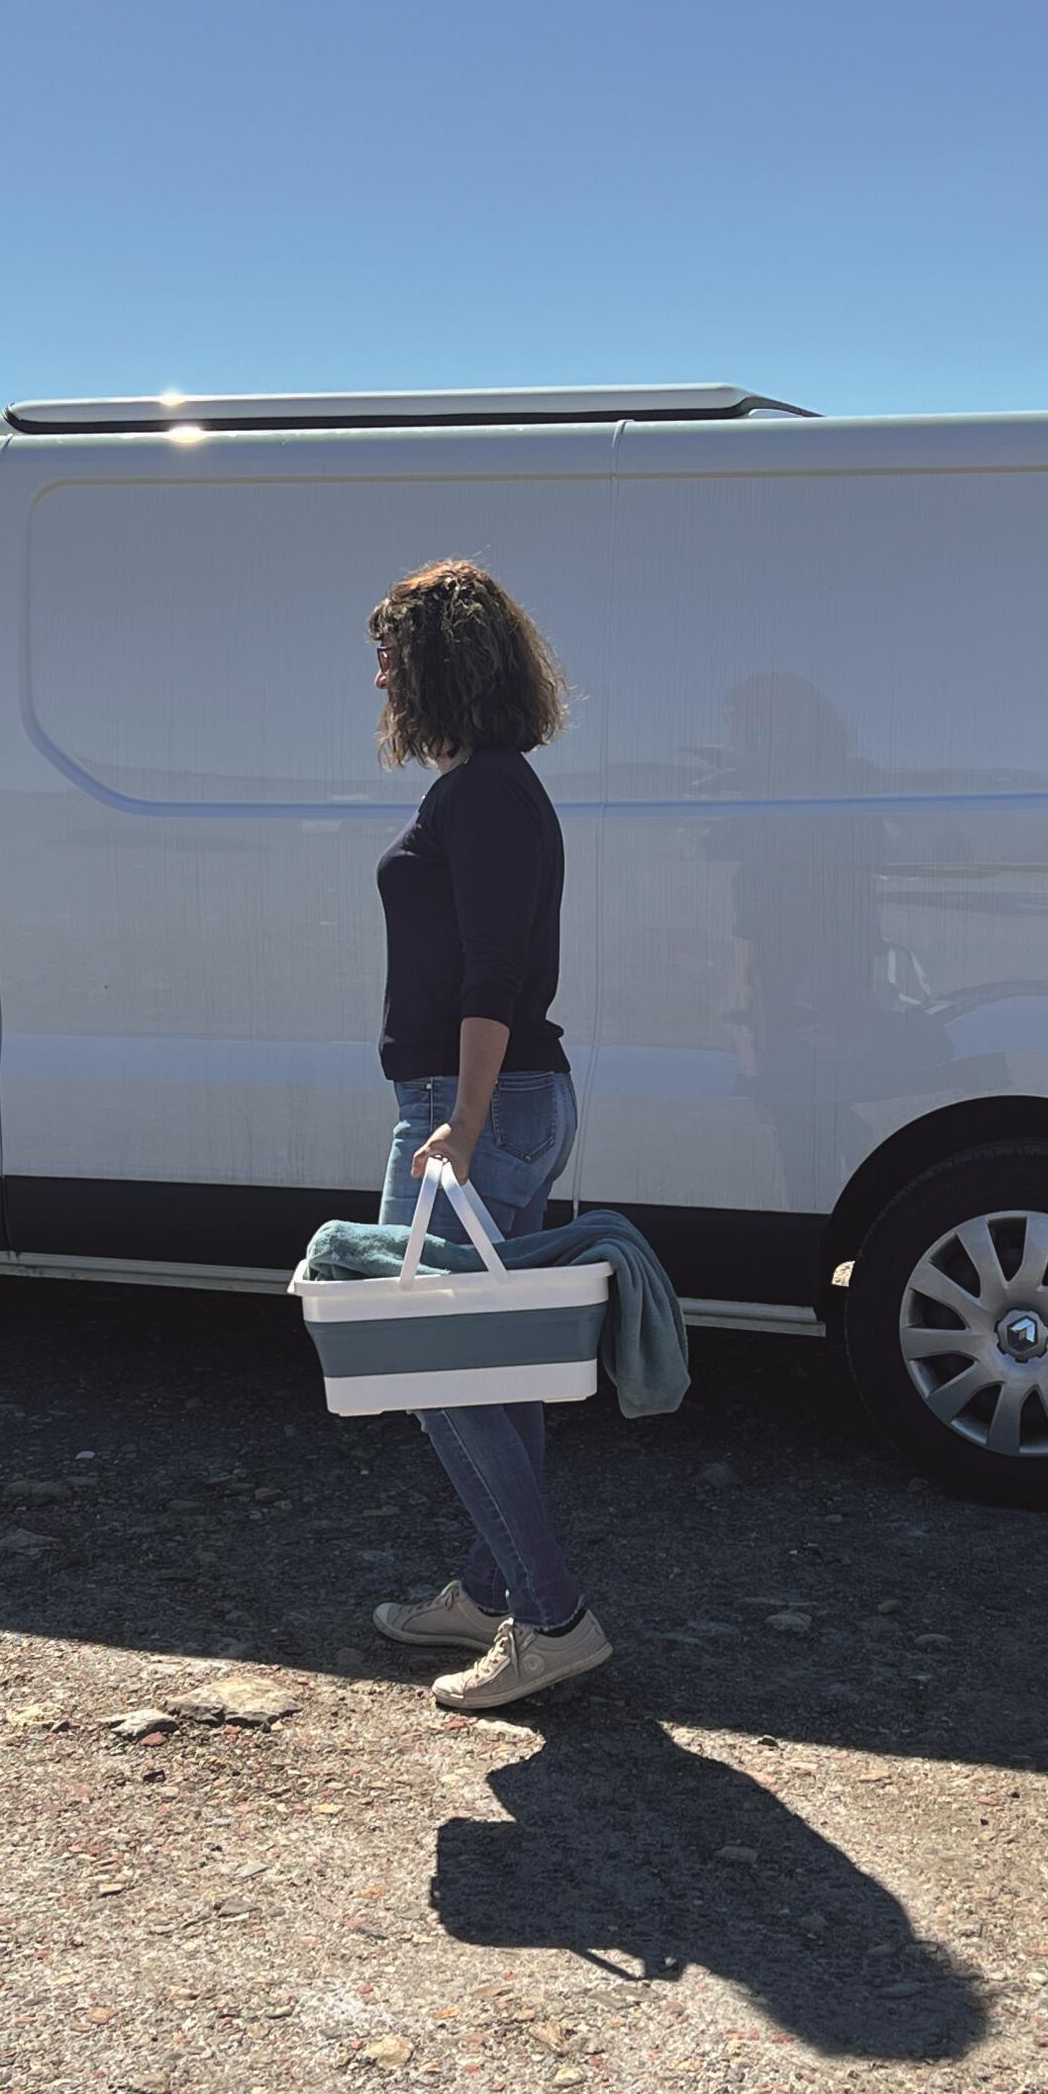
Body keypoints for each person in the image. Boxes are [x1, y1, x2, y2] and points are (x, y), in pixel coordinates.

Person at [362, 560, 612, 1711]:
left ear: (435, 665)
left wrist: (458, 1123)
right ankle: (489, 1587)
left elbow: (494, 971)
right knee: (491, 1363)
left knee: (431, 1362)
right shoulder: (484, 788)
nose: (380, 680)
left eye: (389, 658)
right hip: (493, 1102)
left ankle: (551, 1617)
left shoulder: (488, 795)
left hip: (480, 1106)